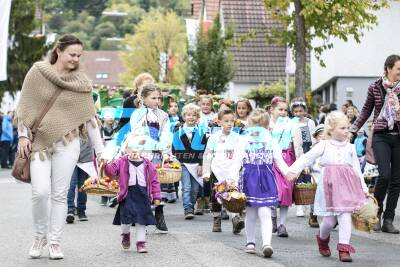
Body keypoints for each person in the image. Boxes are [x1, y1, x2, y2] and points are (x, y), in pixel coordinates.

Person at [15, 34, 104, 259]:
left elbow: (89, 119)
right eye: (72, 54)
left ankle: (54, 241)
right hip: (39, 143)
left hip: (69, 142)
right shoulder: (37, 72)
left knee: (60, 195)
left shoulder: (82, 82)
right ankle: (39, 236)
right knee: (40, 192)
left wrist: (101, 152)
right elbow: (24, 108)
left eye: (79, 55)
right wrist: (23, 136)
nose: (75, 59)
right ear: (59, 51)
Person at [287, 111, 368, 262]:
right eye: (343, 128)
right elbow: (307, 157)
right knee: (329, 221)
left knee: (345, 216)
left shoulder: (350, 148)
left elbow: (357, 170)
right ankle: (322, 239)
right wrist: (294, 170)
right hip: (329, 188)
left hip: (347, 187)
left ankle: (344, 248)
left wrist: (364, 188)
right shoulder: (323, 145)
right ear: (331, 129)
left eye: (347, 128)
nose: (347, 131)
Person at [350, 54, 400, 234]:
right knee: (384, 175)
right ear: (388, 68)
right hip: (380, 135)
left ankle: (388, 219)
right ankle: (375, 215)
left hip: (398, 137)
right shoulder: (375, 87)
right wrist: (353, 130)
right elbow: (365, 111)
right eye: (398, 69)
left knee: (396, 181)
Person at [230, 109, 289, 258]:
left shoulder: (271, 141)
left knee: (265, 212)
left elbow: (279, 161)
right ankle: (250, 242)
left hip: (266, 178)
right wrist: (231, 178)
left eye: (260, 126)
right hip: (249, 178)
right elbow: (236, 161)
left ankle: (267, 244)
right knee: (250, 212)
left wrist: (290, 173)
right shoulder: (243, 141)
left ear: (266, 127)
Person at [126, 83, 171, 233]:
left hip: (157, 153)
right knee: (141, 185)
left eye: (159, 98)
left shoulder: (163, 115)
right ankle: (140, 216)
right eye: (153, 98)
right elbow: (135, 134)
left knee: (157, 185)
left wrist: (166, 152)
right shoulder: (137, 114)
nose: (157, 101)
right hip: (141, 153)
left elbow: (166, 135)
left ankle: (159, 213)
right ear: (143, 99)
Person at [103, 138, 161, 253]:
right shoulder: (121, 161)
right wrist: (105, 163)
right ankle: (125, 235)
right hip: (127, 194)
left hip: (143, 194)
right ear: (127, 150)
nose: (134, 152)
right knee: (126, 219)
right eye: (131, 149)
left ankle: (141, 243)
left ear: (142, 151)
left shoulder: (148, 163)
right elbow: (111, 172)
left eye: (137, 149)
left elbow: (155, 181)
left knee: (141, 219)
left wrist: (157, 196)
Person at [203, 109, 244, 233]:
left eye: (232, 121)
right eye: (226, 121)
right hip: (217, 171)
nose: (229, 124)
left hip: (232, 171)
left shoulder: (238, 138)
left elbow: (241, 154)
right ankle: (217, 219)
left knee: (234, 195)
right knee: (217, 195)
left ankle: (236, 219)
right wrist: (206, 171)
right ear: (219, 122)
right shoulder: (214, 137)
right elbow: (208, 154)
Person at [269, 97, 302, 237]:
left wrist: (301, 163)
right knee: (272, 190)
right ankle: (272, 218)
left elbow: (298, 145)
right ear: (272, 110)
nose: (283, 112)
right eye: (279, 109)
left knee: (286, 190)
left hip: (287, 159)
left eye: (285, 110)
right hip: (269, 160)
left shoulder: (292, 124)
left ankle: (282, 224)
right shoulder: (267, 125)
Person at [172, 103, 207, 219]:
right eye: (188, 115)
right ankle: (188, 208)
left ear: (197, 118)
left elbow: (203, 149)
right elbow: (174, 146)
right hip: (183, 162)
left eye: (194, 115)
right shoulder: (178, 129)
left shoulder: (201, 131)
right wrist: (174, 159)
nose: (191, 117)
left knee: (195, 189)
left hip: (196, 163)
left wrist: (202, 164)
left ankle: (192, 203)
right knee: (186, 187)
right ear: (184, 116)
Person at [290, 98, 316, 218]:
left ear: (304, 111)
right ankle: (299, 205)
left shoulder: (309, 122)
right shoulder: (291, 123)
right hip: (296, 151)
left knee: (308, 176)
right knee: (298, 177)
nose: (298, 113)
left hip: (308, 150)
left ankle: (308, 201)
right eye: (296, 111)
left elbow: (313, 137)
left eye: (300, 111)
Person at [66, 138, 94, 223]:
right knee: (71, 184)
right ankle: (70, 209)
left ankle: (81, 210)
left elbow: (95, 137)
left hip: (85, 157)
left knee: (83, 185)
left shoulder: (89, 124)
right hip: (70, 156)